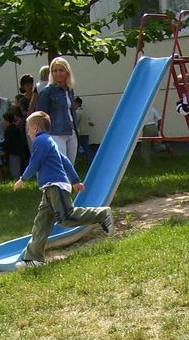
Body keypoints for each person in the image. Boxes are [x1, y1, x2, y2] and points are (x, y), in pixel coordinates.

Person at [12, 110, 114, 267]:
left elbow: (35, 162)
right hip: (48, 189)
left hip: (55, 186)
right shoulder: (49, 141)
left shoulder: (41, 141)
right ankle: (33, 258)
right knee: (41, 223)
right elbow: (64, 160)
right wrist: (75, 180)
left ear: (36, 129)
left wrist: (23, 179)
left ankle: (101, 214)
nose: (28, 133)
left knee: (66, 217)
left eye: (28, 129)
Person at [36, 56, 79, 165]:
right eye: (55, 71)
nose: (58, 73)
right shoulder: (47, 91)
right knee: (61, 164)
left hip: (71, 130)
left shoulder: (69, 90)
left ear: (67, 72)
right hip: (56, 132)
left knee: (71, 165)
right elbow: (41, 115)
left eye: (61, 70)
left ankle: (70, 182)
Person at [1, 111, 28, 180]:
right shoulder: (15, 128)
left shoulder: (8, 130)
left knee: (14, 166)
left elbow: (7, 141)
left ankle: (17, 178)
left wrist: (4, 149)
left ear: (6, 120)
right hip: (18, 150)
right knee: (17, 164)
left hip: (12, 151)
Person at [73, 97, 94, 163]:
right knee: (86, 148)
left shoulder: (78, 112)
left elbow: (75, 122)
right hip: (86, 133)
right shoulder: (84, 112)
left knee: (75, 149)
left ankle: (75, 162)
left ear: (77, 103)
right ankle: (90, 162)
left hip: (80, 133)